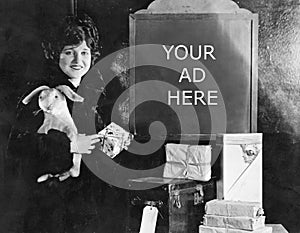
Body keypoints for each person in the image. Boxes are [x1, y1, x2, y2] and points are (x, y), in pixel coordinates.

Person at [5, 13, 106, 233]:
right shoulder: (44, 93)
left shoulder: (91, 92)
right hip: (50, 204)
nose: (78, 61)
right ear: (54, 54)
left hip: (85, 203)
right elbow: (18, 147)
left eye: (84, 52)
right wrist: (69, 146)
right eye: (69, 52)